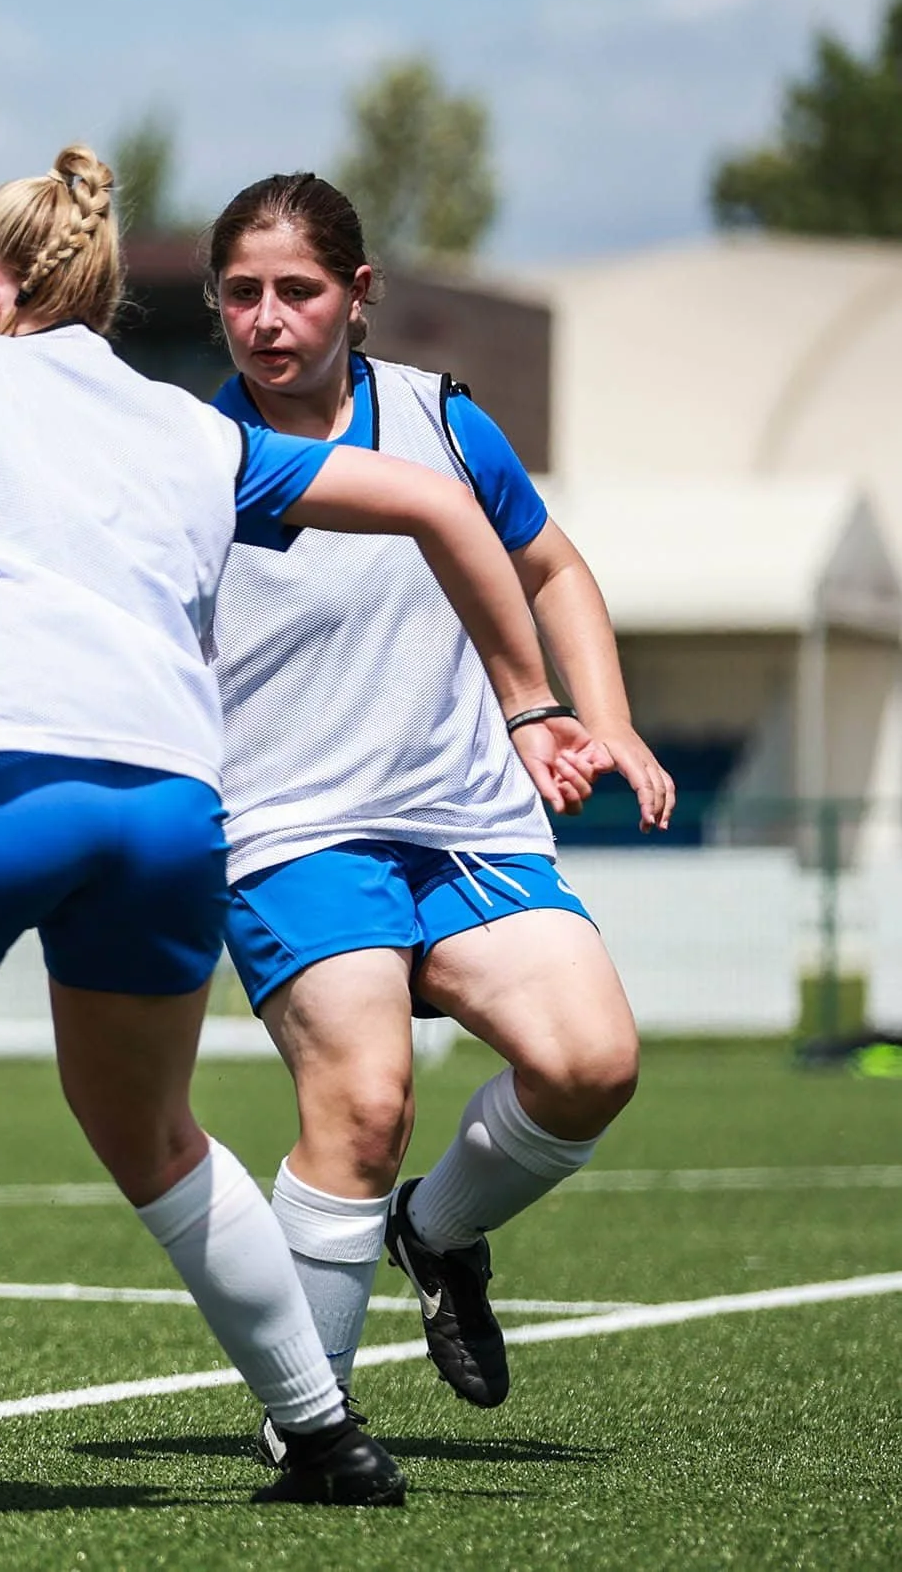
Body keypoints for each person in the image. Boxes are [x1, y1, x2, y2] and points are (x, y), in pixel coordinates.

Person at [0, 143, 604, 1512]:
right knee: (154, 1130)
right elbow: (433, 499)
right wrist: (531, 701)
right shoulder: (181, 424)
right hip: (175, 801)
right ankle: (322, 1431)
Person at [203, 173, 663, 1457]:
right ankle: (311, 1422)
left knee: (589, 1065)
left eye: (296, 289)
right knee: (363, 1099)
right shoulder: (194, 459)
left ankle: (438, 1230)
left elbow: (553, 564)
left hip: (465, 822)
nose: (268, 318)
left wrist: (603, 715)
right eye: (240, 293)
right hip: (290, 830)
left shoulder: (442, 418)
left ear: (357, 294)